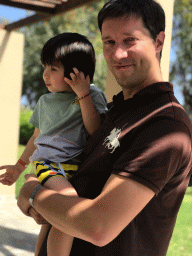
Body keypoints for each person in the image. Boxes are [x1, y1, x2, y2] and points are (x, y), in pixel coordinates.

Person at [16, 0, 192, 255]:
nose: (118, 53)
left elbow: (99, 227)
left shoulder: (166, 126)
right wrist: (39, 184)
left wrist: (32, 193)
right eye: (109, 42)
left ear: (159, 42)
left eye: (129, 40)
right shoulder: (114, 111)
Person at [0, 32, 108, 256]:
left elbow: (95, 130)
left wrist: (83, 95)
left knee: (51, 222)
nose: (45, 75)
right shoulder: (45, 102)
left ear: (75, 73)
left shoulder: (93, 95)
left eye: (53, 69)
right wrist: (19, 168)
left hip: (73, 167)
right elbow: (36, 138)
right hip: (48, 164)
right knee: (68, 208)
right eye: (45, 67)